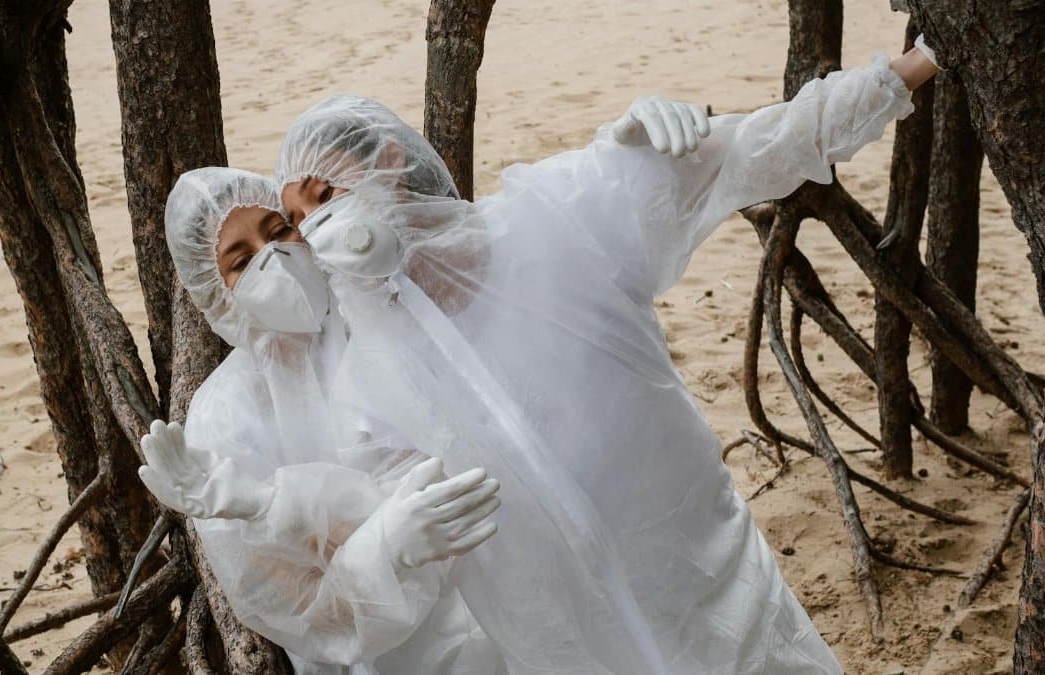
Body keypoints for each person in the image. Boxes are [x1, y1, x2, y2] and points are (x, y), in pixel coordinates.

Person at [141, 37, 942, 674]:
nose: (312, 233)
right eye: (293, 221)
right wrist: (255, 501)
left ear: (388, 159)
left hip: (722, 606)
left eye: (317, 199)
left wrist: (917, 64)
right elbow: (382, 508)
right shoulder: (367, 371)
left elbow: (761, 149)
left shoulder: (558, 213)